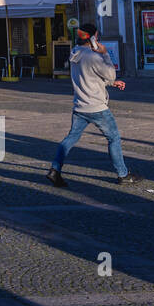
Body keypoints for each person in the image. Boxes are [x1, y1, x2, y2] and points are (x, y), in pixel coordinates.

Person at [47, 23, 141, 187]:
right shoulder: (93, 56)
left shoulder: (75, 52)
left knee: (71, 138)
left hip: (80, 105)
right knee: (114, 138)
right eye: (96, 36)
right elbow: (110, 72)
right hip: (96, 107)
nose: (98, 38)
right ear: (92, 38)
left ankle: (55, 169)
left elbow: (89, 76)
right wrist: (105, 54)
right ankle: (123, 174)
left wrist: (111, 83)